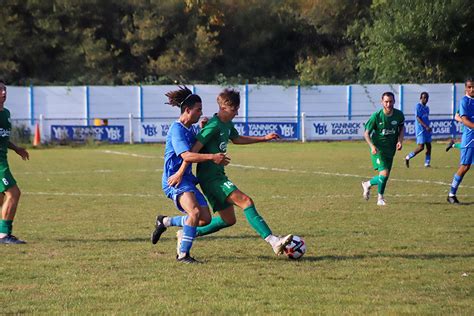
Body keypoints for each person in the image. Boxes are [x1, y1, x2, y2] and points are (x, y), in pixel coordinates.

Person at [168, 88, 293, 256]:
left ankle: (187, 233)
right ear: (224, 107)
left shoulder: (227, 124)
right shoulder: (213, 125)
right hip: (211, 178)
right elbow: (191, 151)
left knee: (229, 220)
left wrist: (263, 138)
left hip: (218, 175)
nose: (237, 112)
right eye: (234, 109)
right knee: (246, 202)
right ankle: (274, 241)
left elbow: (237, 139)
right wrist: (182, 172)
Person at [151, 86, 229, 263]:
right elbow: (187, 155)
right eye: (198, 110)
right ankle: (183, 255)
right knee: (194, 212)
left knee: (205, 219)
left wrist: (202, 126)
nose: (201, 113)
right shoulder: (177, 129)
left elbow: (196, 141)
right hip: (175, 180)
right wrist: (212, 157)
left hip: (186, 179)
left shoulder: (190, 129)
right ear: (188, 110)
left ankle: (164, 222)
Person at [361, 92, 405, 206]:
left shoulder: (399, 115)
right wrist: (372, 146)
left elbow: (401, 128)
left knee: (384, 176)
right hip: (378, 149)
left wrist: (400, 141)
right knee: (384, 173)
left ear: (394, 101)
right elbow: (366, 133)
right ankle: (380, 199)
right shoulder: (376, 116)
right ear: (382, 102)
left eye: (390, 101)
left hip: (390, 150)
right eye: (386, 101)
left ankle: (367, 184)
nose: (388, 104)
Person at [0, 79, 29, 244]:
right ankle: (4, 235)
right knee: (14, 193)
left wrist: (17, 148)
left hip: (3, 160)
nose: (3, 93)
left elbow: (3, 138)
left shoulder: (6, 114)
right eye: (0, 90)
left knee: (0, 198)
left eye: (5, 90)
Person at [447, 78, 474, 204]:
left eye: (473, 87)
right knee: (465, 167)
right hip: (470, 138)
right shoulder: (465, 101)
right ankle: (451, 194)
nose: (472, 89)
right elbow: (464, 119)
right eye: (470, 87)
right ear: (466, 88)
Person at [405, 92, 431, 167]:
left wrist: (428, 127)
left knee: (429, 146)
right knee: (421, 147)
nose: (426, 99)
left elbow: (426, 118)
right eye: (424, 97)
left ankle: (427, 163)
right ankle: (408, 157)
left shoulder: (427, 108)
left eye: (427, 98)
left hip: (427, 129)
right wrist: (425, 126)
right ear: (421, 98)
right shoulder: (418, 106)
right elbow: (418, 118)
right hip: (421, 130)